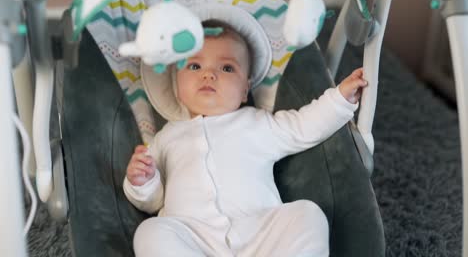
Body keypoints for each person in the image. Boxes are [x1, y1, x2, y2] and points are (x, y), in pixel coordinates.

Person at [123, 17, 367, 257]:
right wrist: (142, 181)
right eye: (195, 66)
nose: (209, 74)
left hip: (260, 233)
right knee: (150, 231)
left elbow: (305, 125)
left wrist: (340, 99)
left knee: (307, 213)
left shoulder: (258, 123)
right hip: (193, 237)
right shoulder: (167, 137)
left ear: (245, 89)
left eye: (227, 68)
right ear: (177, 85)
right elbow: (153, 201)